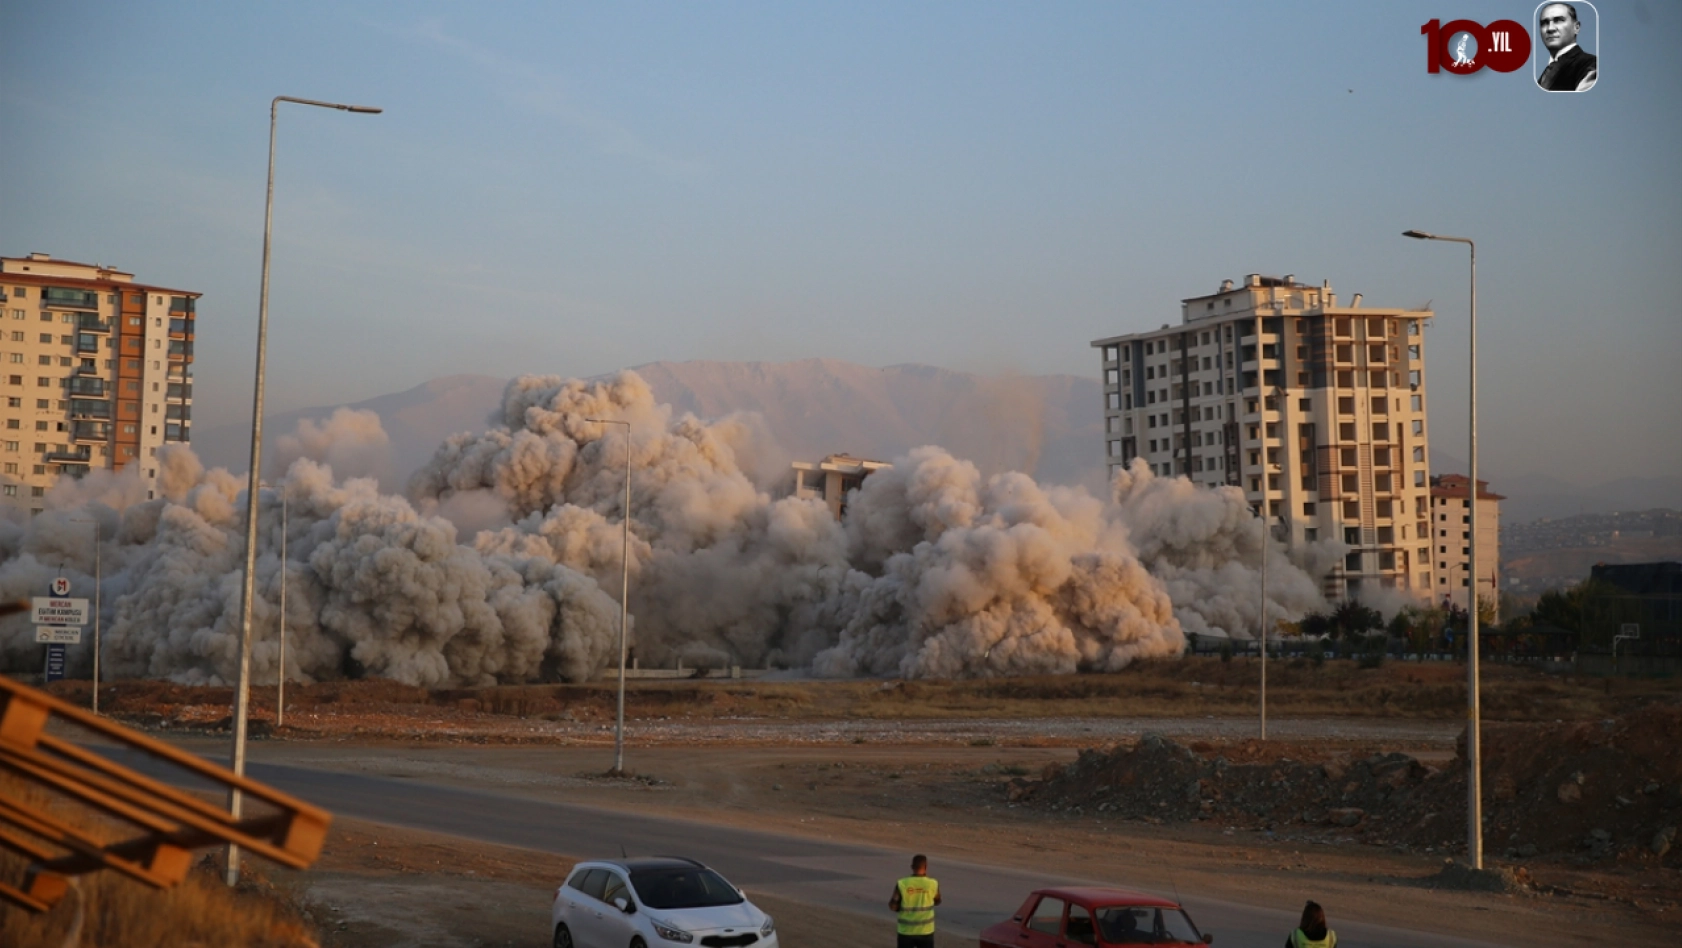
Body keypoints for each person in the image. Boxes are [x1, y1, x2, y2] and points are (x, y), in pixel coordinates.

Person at [1537, 2, 1597, 92]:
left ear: (1576, 27)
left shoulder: (1591, 64)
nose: (1550, 28)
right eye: (1544, 23)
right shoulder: (1545, 73)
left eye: (1558, 20)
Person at [888, 854, 941, 948]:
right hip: (926, 931)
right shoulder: (933, 883)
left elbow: (893, 906)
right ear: (926, 867)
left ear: (912, 867)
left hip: (906, 931)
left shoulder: (902, 883)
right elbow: (937, 901)